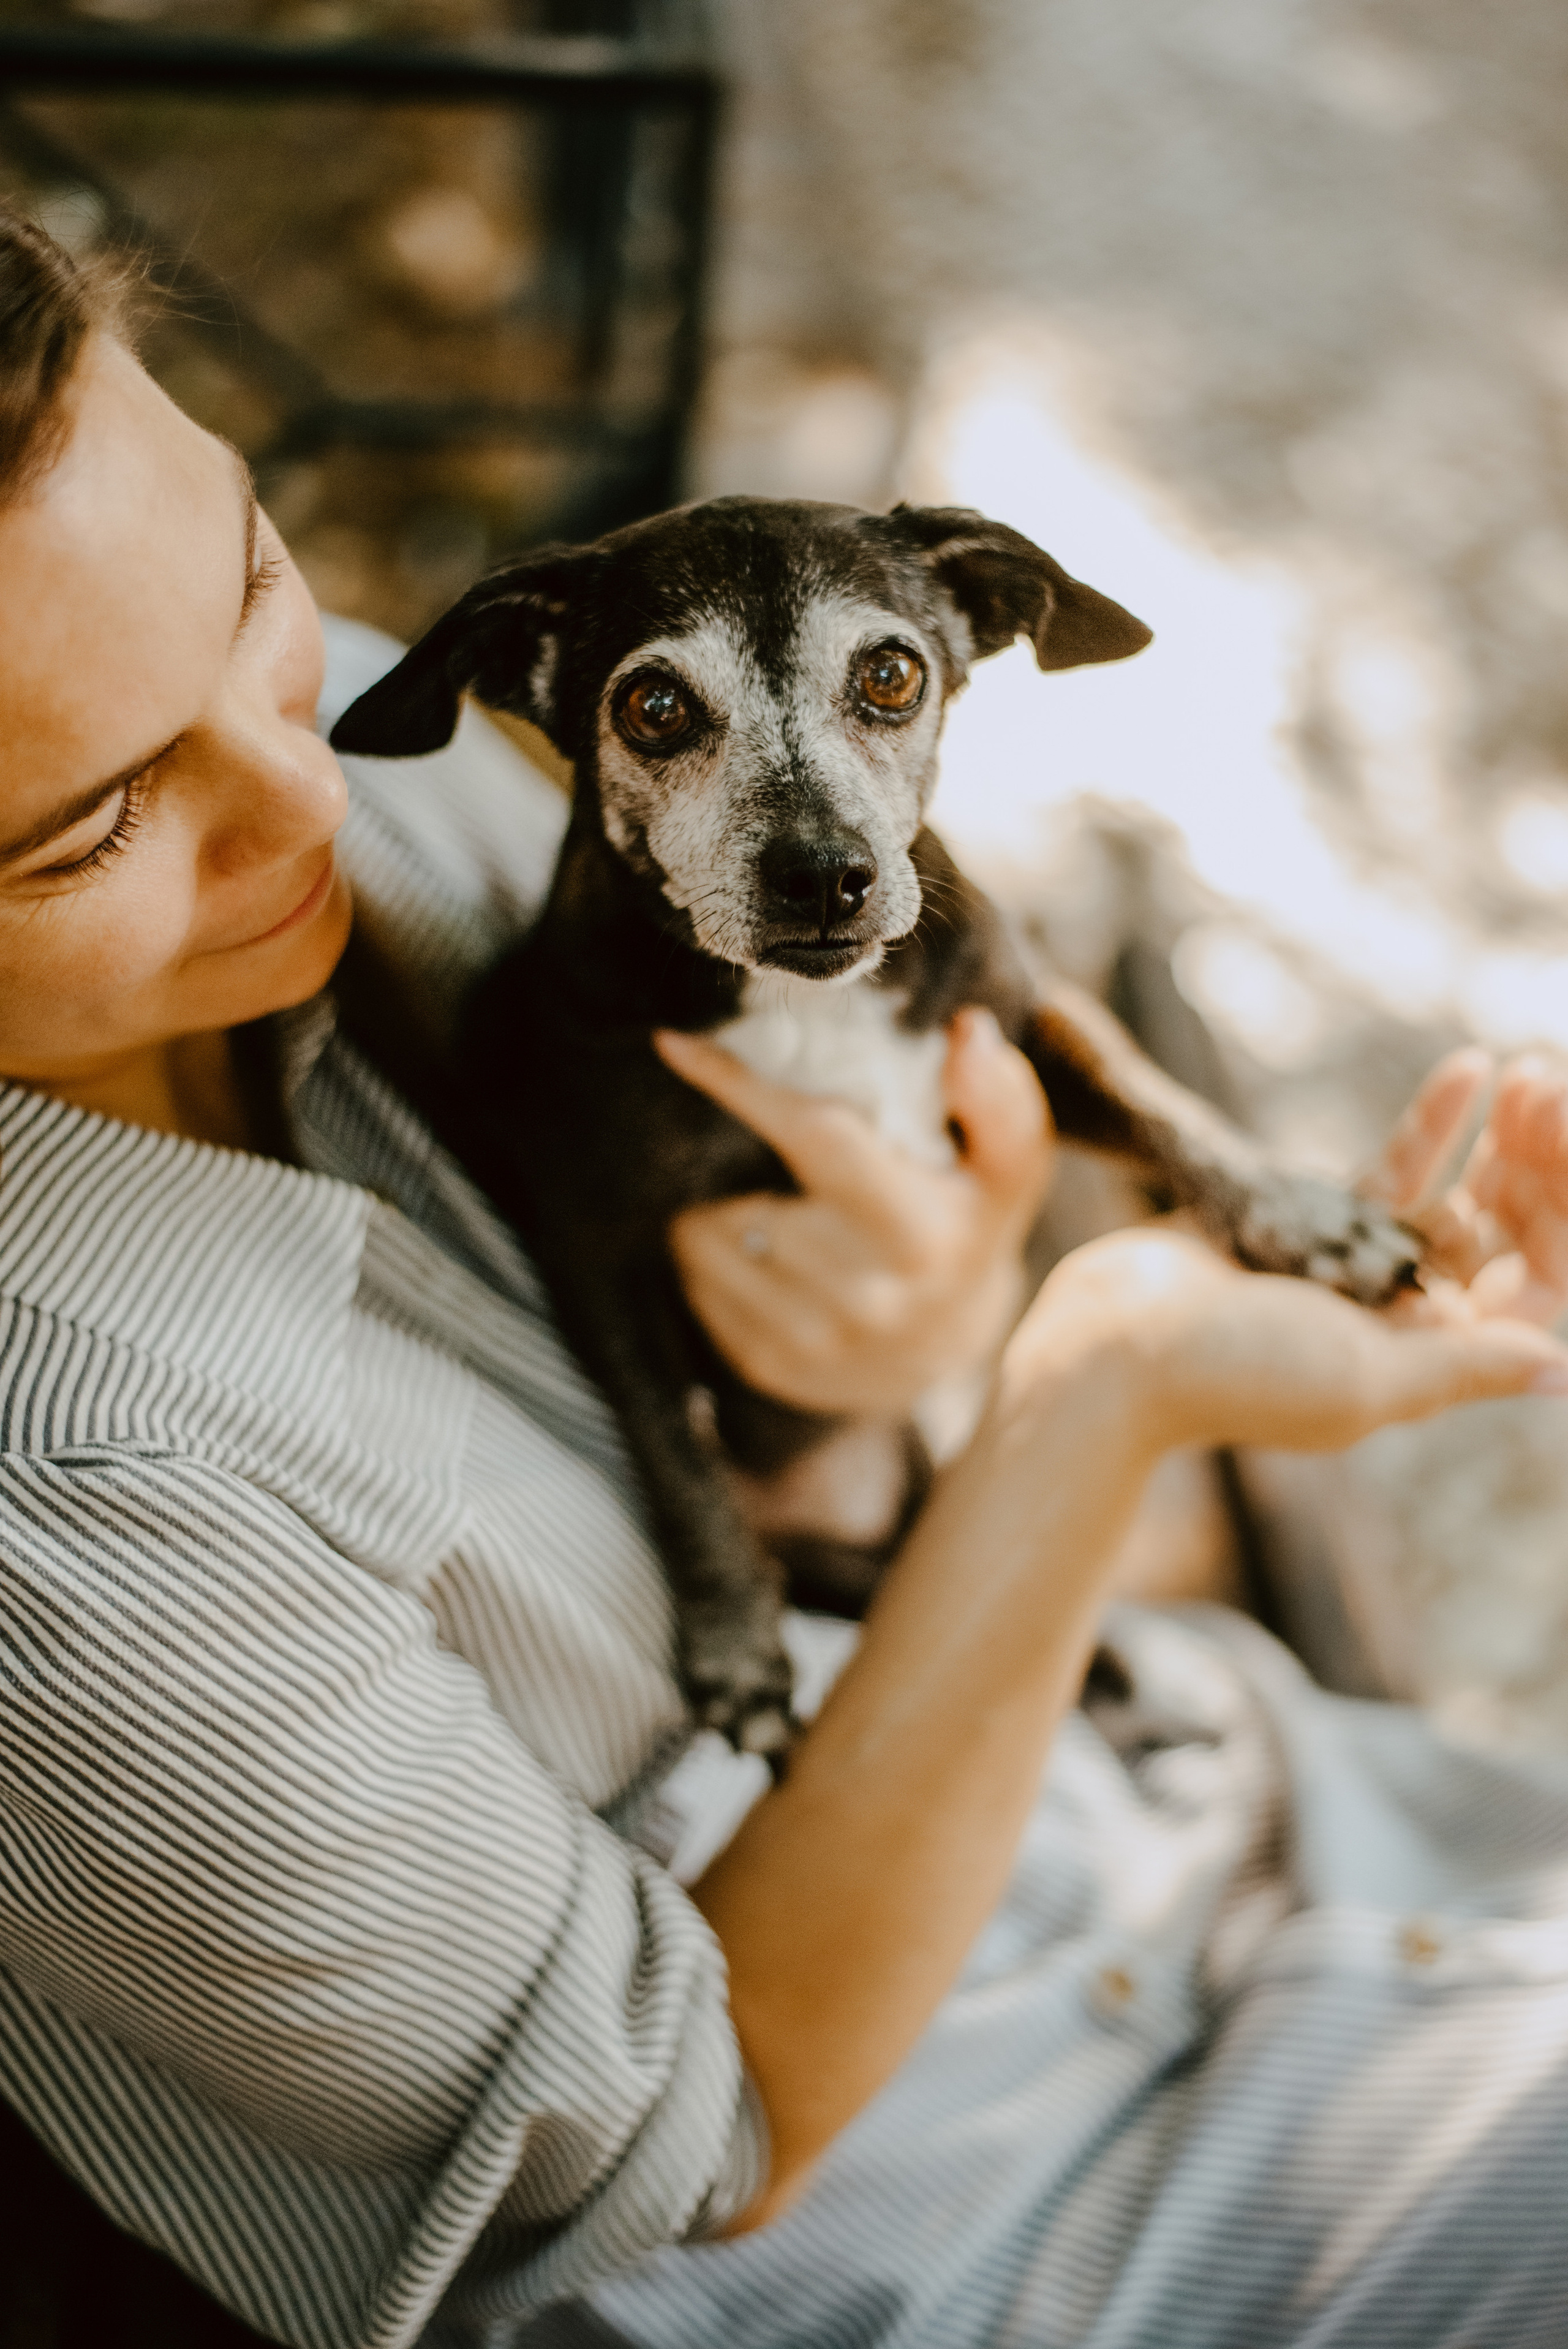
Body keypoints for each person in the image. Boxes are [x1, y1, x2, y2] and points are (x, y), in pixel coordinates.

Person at [1, 204, 1567, 2349]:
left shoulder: (410, 775)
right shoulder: (57, 1549)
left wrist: (906, 1346)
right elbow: (707, 2134)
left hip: (1221, 1820)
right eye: (82, 827)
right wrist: (1095, 1392)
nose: (313, 797)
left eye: (255, 579)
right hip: (997, 2221)